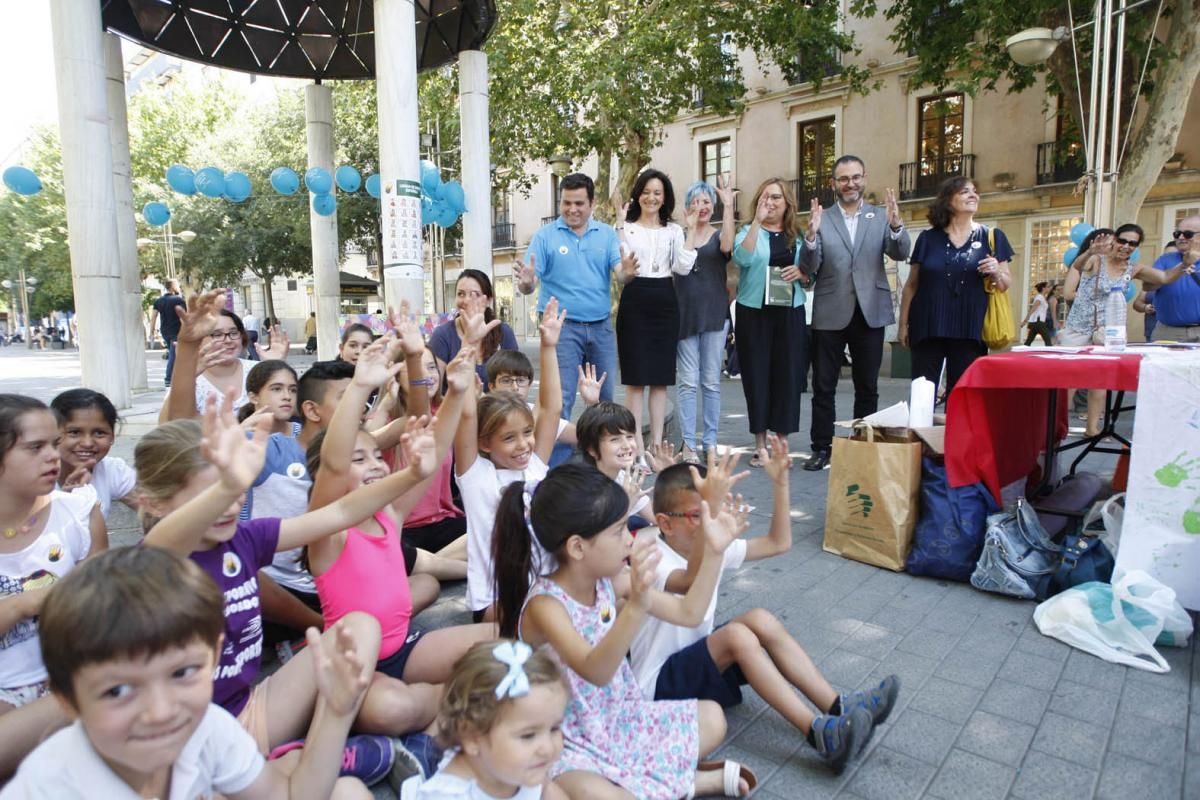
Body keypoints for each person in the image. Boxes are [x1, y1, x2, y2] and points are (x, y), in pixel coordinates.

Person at [134, 399, 445, 756]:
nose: (231, 505)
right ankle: (322, 757)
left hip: (248, 710)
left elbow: (340, 511)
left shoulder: (245, 539)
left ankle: (323, 750)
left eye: (238, 492)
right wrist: (228, 484)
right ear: (154, 503)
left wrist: (413, 474)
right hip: (186, 740)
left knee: (360, 625)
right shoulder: (150, 563)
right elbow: (162, 547)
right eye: (214, 494)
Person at [1, 546, 379, 799]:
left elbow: (291, 796)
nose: (161, 711)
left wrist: (335, 711)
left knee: (348, 793)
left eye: (182, 672)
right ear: (66, 699)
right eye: (117, 691)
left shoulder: (206, 726)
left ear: (213, 656)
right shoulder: (49, 787)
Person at [492, 463, 756, 798]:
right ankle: (686, 781)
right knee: (597, 793)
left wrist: (715, 551)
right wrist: (635, 607)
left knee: (713, 718)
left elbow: (690, 612)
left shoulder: (610, 581)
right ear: (577, 547)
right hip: (566, 737)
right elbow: (595, 670)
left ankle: (650, 778)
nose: (630, 542)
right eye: (619, 532)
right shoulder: (546, 605)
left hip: (621, 718)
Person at [633, 443, 890, 774]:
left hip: (691, 665)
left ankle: (838, 705)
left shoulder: (709, 544)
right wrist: (714, 528)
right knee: (736, 636)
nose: (710, 519)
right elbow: (687, 580)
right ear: (665, 524)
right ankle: (819, 734)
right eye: (699, 514)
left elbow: (778, 543)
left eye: (713, 509)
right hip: (656, 688)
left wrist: (781, 484)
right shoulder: (651, 554)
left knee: (760, 619)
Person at [799, 156, 910, 472]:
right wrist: (809, 238)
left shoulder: (879, 217)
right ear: (834, 183)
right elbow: (809, 267)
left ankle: (863, 447)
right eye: (844, 178)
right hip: (830, 311)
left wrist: (896, 225)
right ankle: (822, 447)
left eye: (856, 177)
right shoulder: (822, 218)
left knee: (868, 386)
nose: (850, 183)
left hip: (870, 311)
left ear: (864, 179)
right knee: (823, 386)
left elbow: (901, 252)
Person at [455, 301, 564, 620]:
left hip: (543, 591)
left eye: (527, 433)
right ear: (484, 443)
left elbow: (552, 409)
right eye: (508, 438)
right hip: (496, 600)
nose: (523, 445)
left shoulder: (534, 466)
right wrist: (469, 346)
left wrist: (548, 346)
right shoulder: (476, 477)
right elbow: (465, 415)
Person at [1, 394, 107, 716]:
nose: (54, 456)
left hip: (70, 679)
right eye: (35, 447)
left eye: (54, 443)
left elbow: (101, 611)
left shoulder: (79, 513)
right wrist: (23, 604)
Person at [517, 173, 637, 420]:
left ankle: (603, 456)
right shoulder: (545, 236)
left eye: (579, 203)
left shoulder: (606, 234)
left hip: (601, 327)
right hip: (561, 331)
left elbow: (621, 276)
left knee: (605, 400)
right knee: (560, 400)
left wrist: (627, 273)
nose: (572, 209)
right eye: (566, 203)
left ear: (592, 204)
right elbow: (529, 284)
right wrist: (527, 283)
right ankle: (557, 458)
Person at [1061, 224, 1192, 435]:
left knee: (1100, 381)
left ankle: (1092, 428)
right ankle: (1059, 427)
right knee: (1069, 380)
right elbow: (1078, 265)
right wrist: (1089, 252)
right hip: (1079, 327)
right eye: (1123, 240)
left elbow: (1164, 278)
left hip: (1108, 330)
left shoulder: (1133, 268)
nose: (1126, 246)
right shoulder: (1097, 259)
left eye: (1132, 243)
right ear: (1114, 239)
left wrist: (1183, 266)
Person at [398, 640, 569, 800]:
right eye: (528, 735)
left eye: (554, 728)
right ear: (472, 737)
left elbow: (547, 790)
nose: (547, 748)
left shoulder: (524, 769)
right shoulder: (449, 796)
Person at [898, 178, 1014, 398]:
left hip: (969, 327)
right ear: (948, 201)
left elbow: (1004, 284)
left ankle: (956, 434)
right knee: (923, 394)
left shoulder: (992, 237)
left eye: (975, 191)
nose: (973, 195)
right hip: (928, 324)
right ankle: (921, 433)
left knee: (963, 394)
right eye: (964, 192)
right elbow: (912, 284)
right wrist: (903, 325)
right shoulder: (927, 238)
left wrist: (996, 272)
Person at [615, 169, 695, 460]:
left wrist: (691, 232)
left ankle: (657, 445)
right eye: (646, 191)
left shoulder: (673, 231)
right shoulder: (627, 227)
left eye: (657, 193)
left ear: (665, 198)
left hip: (665, 300)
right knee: (635, 380)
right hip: (635, 299)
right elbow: (623, 263)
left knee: (660, 380)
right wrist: (620, 224)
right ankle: (635, 443)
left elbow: (683, 267)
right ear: (638, 194)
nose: (651, 197)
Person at [731, 178, 810, 464]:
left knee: (787, 376)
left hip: (790, 311)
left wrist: (802, 275)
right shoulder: (746, 232)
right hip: (754, 312)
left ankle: (782, 444)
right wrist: (756, 222)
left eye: (777, 197)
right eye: (766, 197)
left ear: (787, 202)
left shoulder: (796, 237)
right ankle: (760, 444)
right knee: (757, 376)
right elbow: (742, 257)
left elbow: (810, 270)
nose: (771, 202)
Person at [674, 179, 736, 464]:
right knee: (687, 383)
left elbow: (727, 246)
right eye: (696, 201)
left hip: (713, 316)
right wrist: (689, 229)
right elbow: (681, 268)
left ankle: (710, 443)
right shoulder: (678, 235)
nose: (701, 206)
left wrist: (728, 205)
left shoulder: (718, 234)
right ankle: (688, 445)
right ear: (688, 206)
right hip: (685, 317)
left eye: (707, 201)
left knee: (710, 382)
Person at [50, 389, 138, 519]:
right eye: (74, 432)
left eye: (99, 433)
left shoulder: (112, 470)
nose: (87, 443)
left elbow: (154, 510)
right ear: (52, 434)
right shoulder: (32, 476)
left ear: (112, 436)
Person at [431, 269, 520, 387]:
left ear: (488, 300)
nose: (467, 300)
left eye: (475, 294)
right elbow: (435, 391)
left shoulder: (503, 332)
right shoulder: (442, 335)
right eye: (461, 294)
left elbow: (516, 381)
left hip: (497, 405)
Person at [1145, 215, 1200, 342]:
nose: (1181, 237)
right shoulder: (1165, 259)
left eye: (1187, 234)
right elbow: (1148, 286)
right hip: (1169, 332)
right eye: (1177, 233)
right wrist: (1182, 266)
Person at [148, 280, 186, 388]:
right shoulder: (178, 300)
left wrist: (151, 332)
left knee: (175, 354)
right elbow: (183, 317)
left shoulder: (159, 301)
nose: (179, 286)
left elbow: (153, 317)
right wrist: (187, 331)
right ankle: (168, 379)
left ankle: (177, 377)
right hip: (177, 332)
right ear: (173, 287)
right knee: (174, 356)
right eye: (177, 284)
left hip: (165, 331)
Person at [1021, 282, 1055, 346]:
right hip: (1038, 322)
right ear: (1043, 288)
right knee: (1047, 340)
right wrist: (1025, 321)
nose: (1050, 288)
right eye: (1048, 287)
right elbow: (1033, 309)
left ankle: (1020, 352)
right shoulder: (1039, 297)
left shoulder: (1042, 297)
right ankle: (1050, 353)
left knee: (1028, 341)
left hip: (1037, 322)